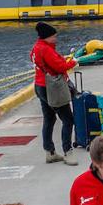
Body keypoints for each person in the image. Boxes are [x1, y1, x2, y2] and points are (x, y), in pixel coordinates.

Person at [30, 22, 78, 166]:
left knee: (49, 119)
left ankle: (50, 152)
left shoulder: (35, 48)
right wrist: (74, 62)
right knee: (68, 119)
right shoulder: (46, 50)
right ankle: (68, 152)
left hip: (40, 85)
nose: (56, 38)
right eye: (54, 36)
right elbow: (60, 66)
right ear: (47, 37)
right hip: (53, 88)